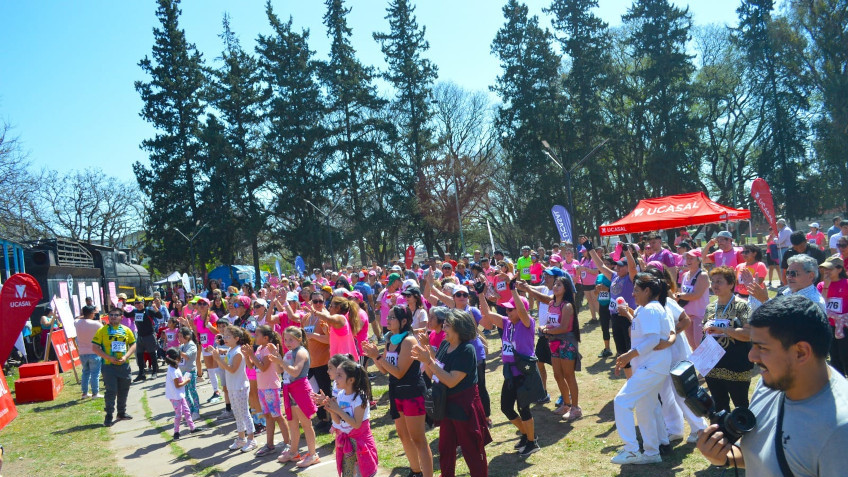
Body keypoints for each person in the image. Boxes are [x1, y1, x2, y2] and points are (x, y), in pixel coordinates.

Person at [696, 295, 848, 475]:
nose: (751, 357)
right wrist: (724, 457)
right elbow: (768, 456)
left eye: (762, 348)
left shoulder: (839, 432)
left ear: (801, 352)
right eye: (752, 345)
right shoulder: (771, 381)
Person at [411, 309, 491, 477]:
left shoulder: (467, 350)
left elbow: (451, 380)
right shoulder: (446, 344)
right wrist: (427, 351)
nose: (443, 328)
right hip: (446, 404)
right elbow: (436, 370)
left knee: (472, 450)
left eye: (447, 325)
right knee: (445, 448)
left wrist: (429, 361)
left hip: (463, 408)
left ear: (459, 328)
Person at [361, 306, 432, 477]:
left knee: (418, 438)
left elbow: (399, 372)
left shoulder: (409, 341)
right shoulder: (390, 340)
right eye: (389, 316)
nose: (388, 320)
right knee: (403, 435)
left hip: (412, 392)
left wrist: (377, 357)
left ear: (404, 321)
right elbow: (385, 371)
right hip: (396, 392)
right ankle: (416, 471)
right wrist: (373, 357)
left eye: (393, 317)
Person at [610, 273, 673, 465]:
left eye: (637, 290)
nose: (633, 293)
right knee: (648, 408)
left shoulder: (651, 309)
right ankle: (653, 451)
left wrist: (629, 355)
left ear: (647, 291)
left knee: (622, 401)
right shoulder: (647, 309)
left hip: (652, 367)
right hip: (651, 366)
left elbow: (654, 340)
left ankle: (631, 450)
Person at [480, 289, 542, 457]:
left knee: (524, 409)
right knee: (506, 407)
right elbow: (486, 313)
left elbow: (522, 311)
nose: (507, 311)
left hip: (524, 373)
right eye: (506, 309)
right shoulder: (507, 322)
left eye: (510, 309)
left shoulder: (527, 323)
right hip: (510, 373)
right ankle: (527, 434)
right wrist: (480, 294)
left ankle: (532, 442)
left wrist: (513, 290)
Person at [519, 275, 583, 420]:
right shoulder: (552, 303)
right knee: (557, 375)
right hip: (553, 343)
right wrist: (544, 327)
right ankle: (566, 404)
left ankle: (576, 408)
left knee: (569, 375)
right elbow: (549, 317)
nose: (555, 286)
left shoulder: (567, 305)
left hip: (566, 344)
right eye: (555, 284)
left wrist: (546, 331)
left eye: (559, 285)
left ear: (565, 289)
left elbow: (563, 328)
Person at [702, 267, 753, 412]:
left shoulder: (742, 306)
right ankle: (722, 433)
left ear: (731, 284)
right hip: (713, 365)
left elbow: (749, 334)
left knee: (741, 405)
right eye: (712, 281)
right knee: (719, 406)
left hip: (736, 364)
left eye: (719, 281)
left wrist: (724, 330)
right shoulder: (710, 307)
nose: (715, 285)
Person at [317, 359, 379, 477]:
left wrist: (338, 409)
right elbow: (338, 421)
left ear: (351, 380)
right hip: (347, 443)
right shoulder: (340, 395)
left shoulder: (360, 397)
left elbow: (356, 424)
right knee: (348, 474)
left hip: (361, 443)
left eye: (339, 375)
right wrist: (329, 406)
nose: (336, 378)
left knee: (364, 473)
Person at [273, 326, 320, 468]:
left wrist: (281, 361)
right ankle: (294, 452)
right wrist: (277, 359)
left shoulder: (301, 352)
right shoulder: (289, 352)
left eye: (291, 339)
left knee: (306, 424)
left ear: (299, 339)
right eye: (285, 339)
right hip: (290, 390)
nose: (287, 342)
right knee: (292, 423)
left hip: (300, 389)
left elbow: (295, 372)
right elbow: (280, 370)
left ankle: (313, 454)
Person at [242, 325, 291, 458]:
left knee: (277, 416)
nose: (254, 337)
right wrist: (248, 356)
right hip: (262, 388)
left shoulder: (268, 349)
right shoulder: (259, 349)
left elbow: (263, 367)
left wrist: (251, 354)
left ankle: (288, 443)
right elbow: (252, 366)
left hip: (271, 387)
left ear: (266, 338)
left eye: (257, 335)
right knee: (268, 416)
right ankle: (270, 445)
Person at [207, 326, 256, 453]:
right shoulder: (231, 349)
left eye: (228, 336)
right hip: (233, 387)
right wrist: (217, 353)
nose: (225, 338)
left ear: (237, 338)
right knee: (237, 414)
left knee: (244, 413)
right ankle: (241, 438)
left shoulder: (238, 352)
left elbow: (232, 369)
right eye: (225, 336)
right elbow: (228, 364)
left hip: (240, 387)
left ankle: (251, 440)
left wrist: (218, 359)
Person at [91, 308, 137, 427]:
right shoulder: (102, 330)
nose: (113, 317)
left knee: (124, 390)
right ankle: (109, 416)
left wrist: (126, 356)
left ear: (122, 317)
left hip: (124, 366)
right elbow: (95, 348)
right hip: (108, 366)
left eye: (116, 315)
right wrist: (108, 357)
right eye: (111, 315)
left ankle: (121, 413)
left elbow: (133, 344)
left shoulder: (126, 330)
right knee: (111, 391)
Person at [748, 254, 828, 315]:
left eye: (793, 273)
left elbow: (784, 321)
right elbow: (760, 314)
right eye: (787, 273)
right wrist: (754, 295)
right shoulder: (784, 292)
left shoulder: (814, 301)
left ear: (811, 276)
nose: (789, 277)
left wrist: (765, 300)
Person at [817, 256, 848, 376]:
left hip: (844, 326)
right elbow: (821, 304)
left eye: (830, 268)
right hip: (830, 326)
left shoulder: (846, 284)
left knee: (845, 355)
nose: (827, 271)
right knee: (835, 358)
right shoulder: (821, 285)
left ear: (839, 269)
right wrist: (826, 286)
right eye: (825, 269)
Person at [676, 248, 710, 349]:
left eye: (691, 258)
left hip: (700, 315)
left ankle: (708, 365)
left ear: (698, 260)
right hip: (688, 315)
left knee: (700, 344)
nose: (688, 261)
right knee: (692, 346)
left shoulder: (702, 275)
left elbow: (697, 295)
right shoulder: (685, 275)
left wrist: (679, 296)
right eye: (687, 258)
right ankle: (697, 365)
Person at [163, 347, 201, 440]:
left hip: (179, 395)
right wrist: (186, 381)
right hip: (175, 396)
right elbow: (178, 385)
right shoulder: (173, 371)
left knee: (187, 411)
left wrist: (183, 378)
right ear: (176, 358)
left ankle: (192, 428)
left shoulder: (174, 367)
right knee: (178, 415)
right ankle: (176, 432)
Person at [125, 297, 162, 382]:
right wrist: (121, 307)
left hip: (149, 335)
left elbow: (160, 316)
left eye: (139, 303)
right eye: (136, 303)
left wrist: (156, 309)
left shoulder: (148, 311)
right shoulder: (135, 311)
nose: (137, 305)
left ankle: (154, 372)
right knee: (139, 355)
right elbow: (127, 315)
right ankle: (141, 374)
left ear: (143, 303)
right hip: (140, 336)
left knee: (152, 354)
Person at [75, 305, 104, 399]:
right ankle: (95, 393)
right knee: (95, 374)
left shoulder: (77, 322)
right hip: (94, 351)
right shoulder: (96, 324)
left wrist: (83, 315)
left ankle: (85, 393)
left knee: (85, 373)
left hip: (82, 352)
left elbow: (77, 319)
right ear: (92, 313)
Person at [176, 327, 200, 420]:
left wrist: (179, 352)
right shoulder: (182, 346)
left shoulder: (192, 345)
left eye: (181, 336)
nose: (179, 338)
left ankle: (196, 411)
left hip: (190, 372)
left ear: (188, 336)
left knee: (192, 391)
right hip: (183, 372)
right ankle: (190, 410)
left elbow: (187, 356)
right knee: (185, 392)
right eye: (178, 336)